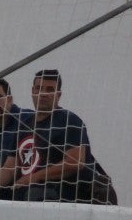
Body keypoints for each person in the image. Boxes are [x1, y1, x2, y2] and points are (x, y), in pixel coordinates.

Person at [6, 69, 115, 204]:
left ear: (58, 95)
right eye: (39, 88)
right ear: (33, 91)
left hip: (68, 198)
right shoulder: (24, 125)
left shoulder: (69, 121)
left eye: (50, 89)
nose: (43, 94)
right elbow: (8, 168)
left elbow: (75, 162)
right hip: (31, 197)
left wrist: (35, 177)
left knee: (34, 194)